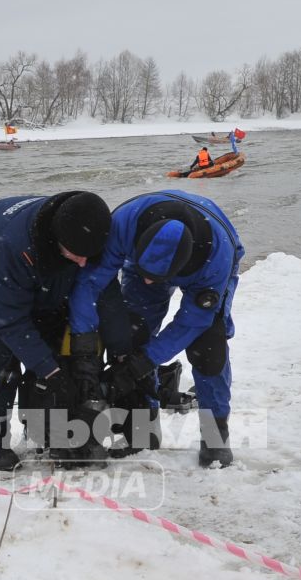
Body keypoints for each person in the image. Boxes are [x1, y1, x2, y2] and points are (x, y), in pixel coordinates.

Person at [66, 190, 245, 467]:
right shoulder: (124, 225)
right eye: (147, 276)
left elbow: (192, 323)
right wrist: (84, 345)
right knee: (132, 334)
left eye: (157, 278)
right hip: (143, 255)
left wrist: (144, 363)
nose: (151, 284)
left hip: (211, 256)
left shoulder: (214, 260)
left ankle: (215, 436)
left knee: (208, 350)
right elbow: (90, 285)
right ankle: (142, 428)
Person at [0, 192, 113, 469]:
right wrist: (50, 372)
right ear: (57, 241)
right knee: (0, 355)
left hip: (31, 263)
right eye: (76, 255)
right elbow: (10, 322)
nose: (82, 263)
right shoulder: (14, 248)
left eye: (87, 257)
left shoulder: (84, 232)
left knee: (53, 342)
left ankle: (49, 430)